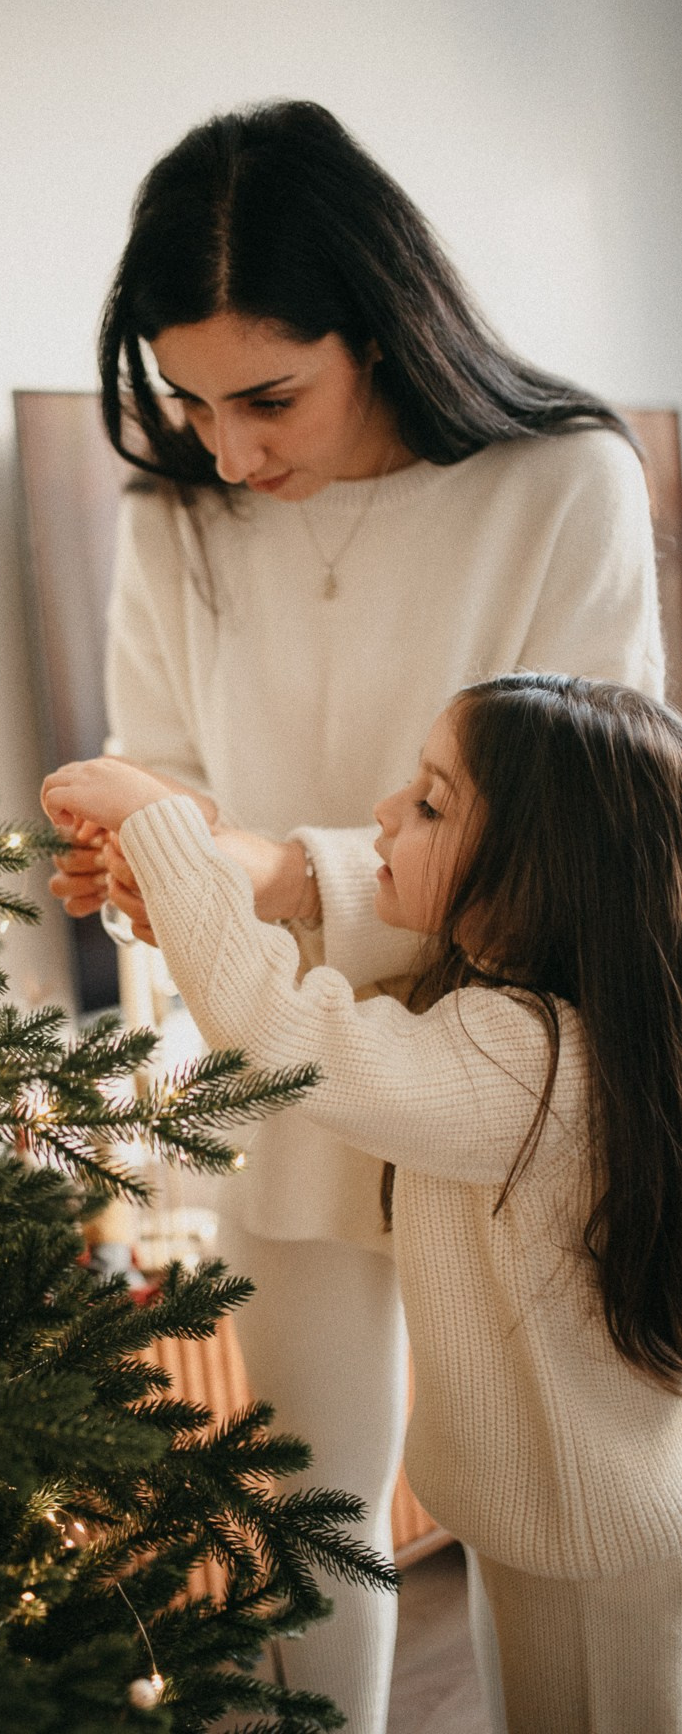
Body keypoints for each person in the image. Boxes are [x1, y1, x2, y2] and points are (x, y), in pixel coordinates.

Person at [48, 100, 664, 1733]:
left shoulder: (562, 485)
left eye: (269, 396)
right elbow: (160, 769)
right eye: (189, 400)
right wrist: (146, 861)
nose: (232, 451)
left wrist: (263, 872)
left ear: (382, 332)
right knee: (300, 1529)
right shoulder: (175, 512)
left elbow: (587, 834)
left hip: (517, 1080)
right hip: (272, 1066)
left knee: (571, 1532)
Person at [42, 673, 682, 1734]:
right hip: (553, 1522)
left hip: (589, 1538)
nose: (384, 812)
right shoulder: (527, 1010)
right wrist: (198, 887)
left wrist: (162, 827)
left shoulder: (523, 1058)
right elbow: (309, 1003)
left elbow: (287, 1035)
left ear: (537, 872)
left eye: (430, 803)